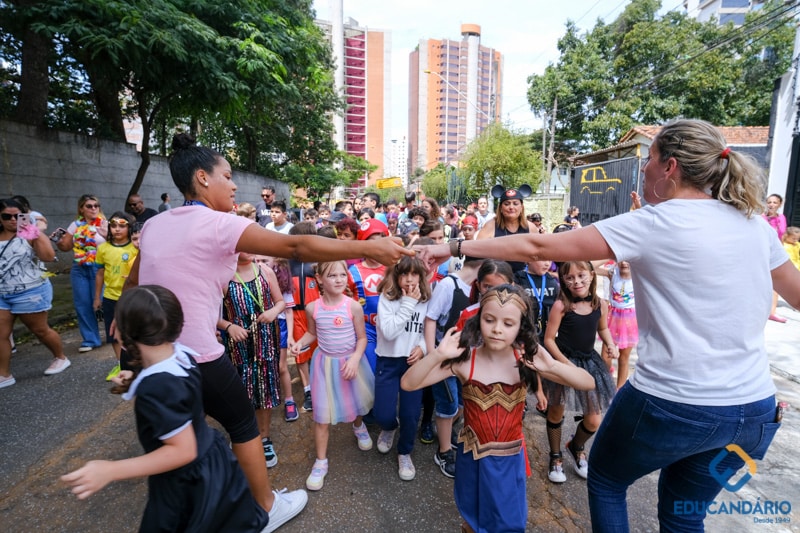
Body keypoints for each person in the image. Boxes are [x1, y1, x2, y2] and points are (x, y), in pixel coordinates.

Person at [414, 118, 800, 532]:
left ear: (670, 167)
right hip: (753, 408)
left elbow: (537, 245)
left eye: (649, 160)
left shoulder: (657, 221)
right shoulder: (756, 226)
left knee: (608, 480)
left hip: (674, 402)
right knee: (683, 517)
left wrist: (451, 246)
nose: (645, 169)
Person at [126, 133, 409, 530]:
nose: (234, 184)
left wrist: (129, 347)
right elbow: (294, 248)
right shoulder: (219, 222)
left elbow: (133, 285)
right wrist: (366, 250)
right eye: (227, 176)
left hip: (156, 358)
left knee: (184, 440)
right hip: (199, 355)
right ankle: (264, 507)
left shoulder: (154, 225)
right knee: (242, 422)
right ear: (203, 179)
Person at [61, 286, 269, 532]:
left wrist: (110, 470)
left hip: (187, 482)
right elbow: (169, 384)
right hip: (213, 463)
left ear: (126, 335)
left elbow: (182, 450)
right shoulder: (183, 355)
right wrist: (133, 381)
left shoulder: (156, 388)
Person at [401, 284, 594, 533]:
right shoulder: (464, 360)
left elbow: (588, 383)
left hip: (509, 459)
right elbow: (408, 383)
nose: (497, 329)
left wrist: (552, 368)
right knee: (473, 518)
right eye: (489, 319)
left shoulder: (525, 359)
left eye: (508, 323)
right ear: (478, 318)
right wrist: (438, 354)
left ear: (521, 327)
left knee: (509, 524)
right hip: (473, 457)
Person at [290, 260, 375, 491]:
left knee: (355, 401)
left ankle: (358, 426)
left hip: (350, 363)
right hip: (324, 365)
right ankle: (320, 461)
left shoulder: (353, 307)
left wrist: (356, 359)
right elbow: (311, 333)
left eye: (342, 275)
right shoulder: (312, 308)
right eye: (332, 275)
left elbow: (362, 338)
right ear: (319, 279)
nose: (339, 280)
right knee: (321, 415)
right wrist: (300, 343)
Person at [542, 261, 617, 484]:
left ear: (592, 276)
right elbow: (548, 339)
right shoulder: (561, 306)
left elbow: (602, 328)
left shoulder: (600, 304)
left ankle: (576, 446)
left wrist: (610, 343)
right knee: (556, 412)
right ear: (563, 280)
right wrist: (565, 365)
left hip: (588, 363)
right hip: (563, 362)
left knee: (594, 419)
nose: (577, 281)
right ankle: (555, 455)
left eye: (581, 276)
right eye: (570, 277)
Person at [0, 198, 69, 386]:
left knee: (40, 330)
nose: (13, 220)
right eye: (7, 216)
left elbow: (47, 256)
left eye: (18, 216)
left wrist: (33, 231)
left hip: (30, 291)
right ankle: (4, 374)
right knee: (1, 334)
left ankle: (60, 357)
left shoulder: (29, 234)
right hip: (2, 293)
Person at [374, 256, 430, 481]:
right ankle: (389, 428)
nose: (409, 280)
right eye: (404, 274)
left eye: (414, 274)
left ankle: (405, 452)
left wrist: (423, 348)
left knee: (410, 413)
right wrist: (408, 303)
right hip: (387, 361)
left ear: (421, 276)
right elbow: (388, 332)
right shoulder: (387, 298)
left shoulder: (426, 299)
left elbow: (428, 330)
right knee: (383, 413)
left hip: (412, 363)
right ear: (396, 276)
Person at [55, 194, 108, 352]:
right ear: (81, 209)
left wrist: (105, 233)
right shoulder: (75, 225)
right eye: (89, 206)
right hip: (80, 267)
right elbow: (65, 247)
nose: (93, 209)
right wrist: (59, 241)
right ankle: (91, 339)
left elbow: (114, 243)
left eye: (96, 205)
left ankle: (116, 334)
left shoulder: (105, 223)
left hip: (100, 267)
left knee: (105, 302)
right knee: (83, 304)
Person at [93, 211, 137, 381]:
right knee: (113, 334)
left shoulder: (134, 247)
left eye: (122, 225)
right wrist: (97, 297)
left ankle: (137, 363)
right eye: (113, 225)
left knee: (133, 331)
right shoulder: (103, 248)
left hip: (131, 297)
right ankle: (121, 364)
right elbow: (99, 274)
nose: (117, 229)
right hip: (111, 296)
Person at [348, 218, 389, 372]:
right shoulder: (352, 271)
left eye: (380, 244)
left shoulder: (394, 268)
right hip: (366, 330)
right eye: (371, 244)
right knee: (371, 371)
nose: (376, 249)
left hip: (390, 328)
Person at [595, 260, 638, 389]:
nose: (624, 263)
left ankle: (619, 389)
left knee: (624, 357)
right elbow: (589, 266)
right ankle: (607, 384)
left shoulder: (637, 276)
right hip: (612, 318)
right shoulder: (612, 272)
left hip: (629, 321)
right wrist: (608, 256)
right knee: (606, 354)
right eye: (621, 259)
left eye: (628, 259)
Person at [477, 185, 532, 273]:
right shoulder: (490, 226)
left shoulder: (530, 227)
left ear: (521, 207)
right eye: (507, 204)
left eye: (515, 203)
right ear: (501, 208)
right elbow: (478, 253)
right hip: (497, 275)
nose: (511, 207)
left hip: (524, 277)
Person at [764, 194, 788, 322]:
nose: (772, 205)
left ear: (779, 204)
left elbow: (782, 235)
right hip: (763, 252)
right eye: (769, 202)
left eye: (774, 202)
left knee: (775, 283)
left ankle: (772, 312)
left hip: (775, 252)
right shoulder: (761, 218)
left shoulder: (781, 218)